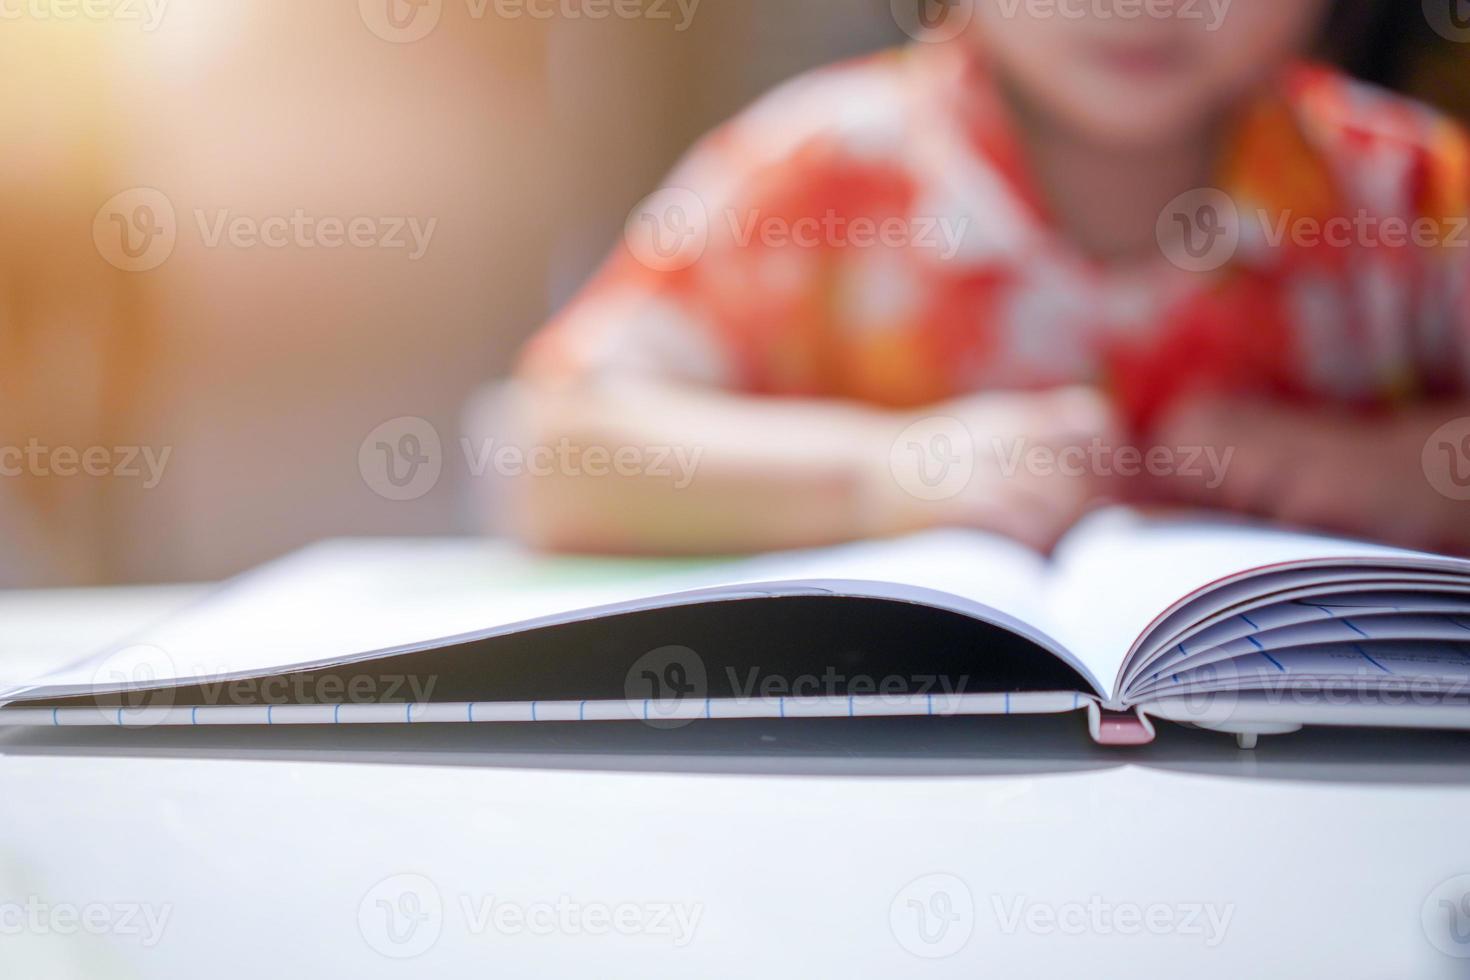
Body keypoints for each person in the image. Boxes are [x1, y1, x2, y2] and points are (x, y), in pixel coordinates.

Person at [507, 0, 1470, 556]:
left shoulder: (1408, 188)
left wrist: (1409, 472)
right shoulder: (824, 170)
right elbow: (551, 457)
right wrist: (878, 479)